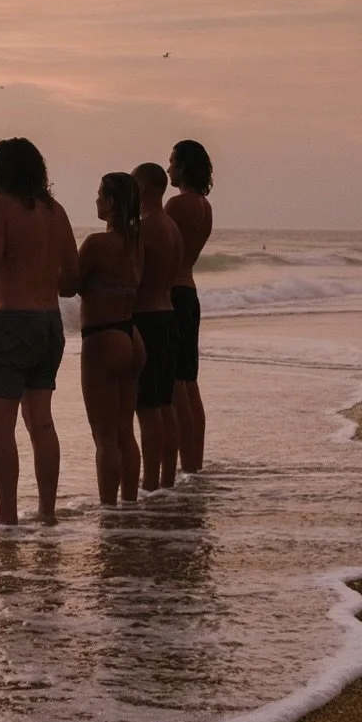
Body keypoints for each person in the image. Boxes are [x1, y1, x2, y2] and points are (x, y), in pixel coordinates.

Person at [0, 138, 79, 526]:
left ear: (0, 171)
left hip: (11, 323)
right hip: (50, 324)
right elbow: (72, 278)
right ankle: (47, 513)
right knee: (41, 422)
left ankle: (7, 520)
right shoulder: (55, 212)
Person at [78, 172, 145, 506]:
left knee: (104, 438)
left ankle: (109, 510)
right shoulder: (137, 243)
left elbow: (67, 285)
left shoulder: (96, 244)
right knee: (124, 432)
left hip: (102, 337)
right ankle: (130, 504)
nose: (97, 200)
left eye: (101, 195)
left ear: (113, 203)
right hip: (131, 335)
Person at [131, 163, 184, 490]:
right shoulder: (171, 226)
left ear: (143, 189)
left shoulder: (147, 226)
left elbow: (133, 275)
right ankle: (165, 480)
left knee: (147, 407)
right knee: (164, 404)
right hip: (168, 316)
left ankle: (150, 483)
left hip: (148, 319)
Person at [166, 139, 213, 472]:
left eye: (171, 162)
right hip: (189, 291)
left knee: (177, 383)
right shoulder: (204, 206)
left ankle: (186, 464)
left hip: (172, 294)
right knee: (190, 381)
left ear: (183, 166)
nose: (168, 168)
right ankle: (194, 462)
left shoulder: (177, 204)